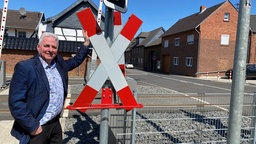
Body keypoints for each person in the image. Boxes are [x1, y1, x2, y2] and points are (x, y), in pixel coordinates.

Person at [8, 31, 90, 144]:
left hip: (55, 123)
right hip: (38, 126)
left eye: (54, 47)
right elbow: (16, 103)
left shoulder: (59, 63)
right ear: (38, 47)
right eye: (46, 46)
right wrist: (33, 127)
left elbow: (75, 61)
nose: (50, 50)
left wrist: (86, 43)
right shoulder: (25, 67)